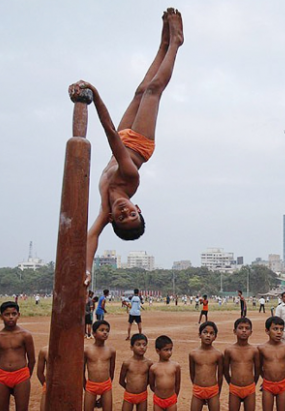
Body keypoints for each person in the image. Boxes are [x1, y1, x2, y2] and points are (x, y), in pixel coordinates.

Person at [82, 8, 184, 286]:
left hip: (122, 139)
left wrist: (86, 270)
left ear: (113, 219)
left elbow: (91, 236)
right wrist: (97, 97)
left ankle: (162, 44)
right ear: (138, 207)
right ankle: (176, 44)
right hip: (139, 143)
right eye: (133, 213)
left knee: (140, 90)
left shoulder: (106, 209)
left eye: (122, 217)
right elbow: (111, 137)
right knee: (153, 91)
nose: (125, 210)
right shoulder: (129, 178)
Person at [0, 302, 35, 411]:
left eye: (14, 314)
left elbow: (31, 360)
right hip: (2, 377)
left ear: (18, 315)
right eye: (7, 314)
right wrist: (3, 373)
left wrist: (26, 376)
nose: (11, 317)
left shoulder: (25, 335)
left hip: (21, 376)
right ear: (1, 316)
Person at [223, 318, 260, 411]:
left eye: (247, 328)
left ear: (251, 332)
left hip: (250, 389)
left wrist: (252, 384)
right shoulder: (229, 350)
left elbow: (257, 371)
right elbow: (225, 370)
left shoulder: (254, 350)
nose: (244, 331)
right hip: (234, 389)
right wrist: (231, 383)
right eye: (240, 328)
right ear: (234, 331)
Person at [258, 316, 285, 411]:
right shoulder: (261, 348)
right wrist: (266, 377)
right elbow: (259, 368)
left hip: (282, 385)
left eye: (281, 329)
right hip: (268, 386)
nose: (279, 332)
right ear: (267, 331)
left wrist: (280, 375)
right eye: (275, 329)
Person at [189, 321, 223, 411]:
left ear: (215, 337)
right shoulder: (193, 354)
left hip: (213, 391)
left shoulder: (218, 354)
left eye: (211, 333)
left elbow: (220, 376)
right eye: (205, 332)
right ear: (200, 334)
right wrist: (197, 386)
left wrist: (218, 392)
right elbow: (192, 373)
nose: (208, 335)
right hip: (198, 391)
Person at [83, 320, 117, 411]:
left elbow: (111, 371)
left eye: (107, 330)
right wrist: (86, 387)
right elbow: (81, 371)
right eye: (102, 330)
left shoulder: (111, 351)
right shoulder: (87, 350)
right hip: (90, 387)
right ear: (93, 333)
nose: (105, 333)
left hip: (106, 387)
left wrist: (108, 385)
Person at [119, 334, 153, 411]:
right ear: (131, 347)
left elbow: (150, 380)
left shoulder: (149, 363)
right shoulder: (127, 363)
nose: (142, 347)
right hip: (129, 396)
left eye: (144, 344)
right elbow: (121, 380)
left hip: (142, 397)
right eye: (138, 344)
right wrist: (129, 388)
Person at [150, 335, 181, 411]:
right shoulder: (153, 368)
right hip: (158, 401)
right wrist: (159, 393)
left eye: (171, 349)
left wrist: (174, 397)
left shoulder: (175, 366)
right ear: (157, 351)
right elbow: (151, 385)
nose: (169, 352)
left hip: (171, 400)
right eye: (166, 350)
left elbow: (177, 384)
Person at [36, 345, 49, 411]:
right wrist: (46, 384)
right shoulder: (45, 350)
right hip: (49, 387)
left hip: (67, 388)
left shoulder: (72, 350)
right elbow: (39, 373)